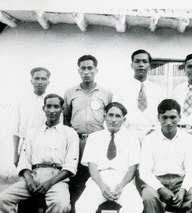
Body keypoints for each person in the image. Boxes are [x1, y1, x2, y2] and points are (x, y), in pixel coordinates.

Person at [0, 94, 79, 213]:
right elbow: (24, 160)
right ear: (43, 109)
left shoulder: (70, 133)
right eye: (48, 106)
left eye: (56, 107)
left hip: (56, 179)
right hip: (33, 176)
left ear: (62, 109)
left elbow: (70, 165)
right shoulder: (33, 133)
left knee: (61, 204)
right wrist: (29, 180)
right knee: (1, 200)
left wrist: (49, 183)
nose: (52, 110)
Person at [63, 54, 113, 211]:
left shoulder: (106, 93)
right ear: (78, 70)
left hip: (97, 142)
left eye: (90, 68)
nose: (86, 72)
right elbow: (66, 118)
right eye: (83, 68)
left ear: (96, 70)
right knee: (75, 178)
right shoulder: (70, 92)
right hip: (76, 141)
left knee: (96, 178)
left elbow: (111, 118)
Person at [139, 99, 192, 213]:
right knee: (149, 198)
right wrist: (161, 189)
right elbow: (144, 171)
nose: (169, 122)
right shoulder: (149, 139)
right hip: (156, 180)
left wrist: (183, 190)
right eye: (164, 117)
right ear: (158, 117)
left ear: (179, 117)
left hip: (181, 181)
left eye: (173, 117)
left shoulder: (187, 139)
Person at [75, 102, 143, 213]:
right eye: (110, 115)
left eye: (118, 116)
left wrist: (121, 186)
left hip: (123, 180)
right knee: (82, 206)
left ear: (124, 120)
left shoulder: (132, 138)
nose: (114, 119)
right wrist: (101, 185)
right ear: (104, 117)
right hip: (99, 179)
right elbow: (92, 166)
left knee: (135, 206)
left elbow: (132, 168)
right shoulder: (94, 137)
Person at [114, 49, 165, 141]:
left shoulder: (158, 90)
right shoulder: (121, 89)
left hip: (152, 136)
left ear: (149, 66)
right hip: (127, 136)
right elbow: (115, 114)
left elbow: (164, 114)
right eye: (137, 61)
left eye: (145, 62)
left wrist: (155, 130)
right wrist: (125, 133)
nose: (141, 64)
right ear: (132, 65)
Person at [12, 67, 51, 167]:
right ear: (31, 81)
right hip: (26, 145)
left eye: (43, 79)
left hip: (47, 145)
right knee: (26, 177)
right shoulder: (23, 101)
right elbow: (15, 130)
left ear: (48, 82)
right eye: (36, 79)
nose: (40, 82)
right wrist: (15, 153)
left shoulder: (52, 101)